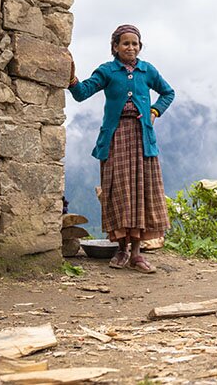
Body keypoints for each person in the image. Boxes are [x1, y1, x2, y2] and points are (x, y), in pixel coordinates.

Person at [68, 24, 175, 273]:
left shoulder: (147, 71)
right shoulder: (107, 71)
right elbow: (82, 93)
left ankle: (137, 253)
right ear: (115, 47)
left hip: (142, 139)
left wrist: (155, 110)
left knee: (140, 192)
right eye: (125, 43)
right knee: (119, 192)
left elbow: (168, 92)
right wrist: (71, 78)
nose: (131, 47)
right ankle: (121, 250)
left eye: (135, 43)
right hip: (116, 138)